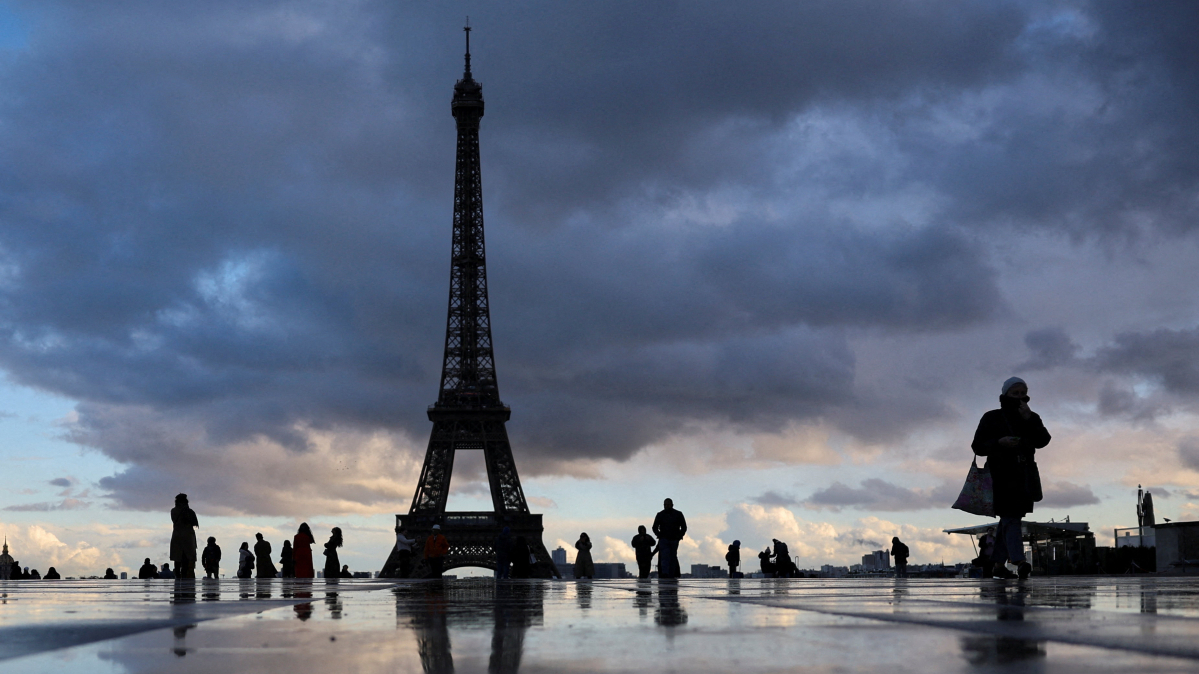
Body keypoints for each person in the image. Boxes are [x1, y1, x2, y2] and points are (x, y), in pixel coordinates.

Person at [972, 377, 1051, 580]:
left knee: (1008, 520)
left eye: (1022, 393)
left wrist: (1030, 418)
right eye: (1014, 393)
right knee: (1012, 518)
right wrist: (999, 443)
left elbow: (1043, 440)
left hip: (1024, 475)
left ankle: (998, 565)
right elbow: (978, 447)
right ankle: (1019, 560)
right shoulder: (992, 417)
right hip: (1000, 476)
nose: (1019, 397)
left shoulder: (1030, 416)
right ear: (1005, 394)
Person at [652, 498, 687, 579]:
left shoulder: (678, 514)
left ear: (672, 505)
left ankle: (670, 573)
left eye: (668, 504)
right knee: (665, 556)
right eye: (665, 505)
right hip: (664, 539)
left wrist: (679, 535)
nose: (666, 506)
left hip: (674, 539)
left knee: (672, 556)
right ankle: (665, 573)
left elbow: (684, 527)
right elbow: (654, 527)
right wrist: (659, 535)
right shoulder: (660, 514)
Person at [169, 493, 199, 579]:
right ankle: (185, 574)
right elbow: (194, 523)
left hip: (177, 536)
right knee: (188, 557)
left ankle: (178, 574)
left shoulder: (173, 511)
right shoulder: (189, 511)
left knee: (177, 558)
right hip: (188, 536)